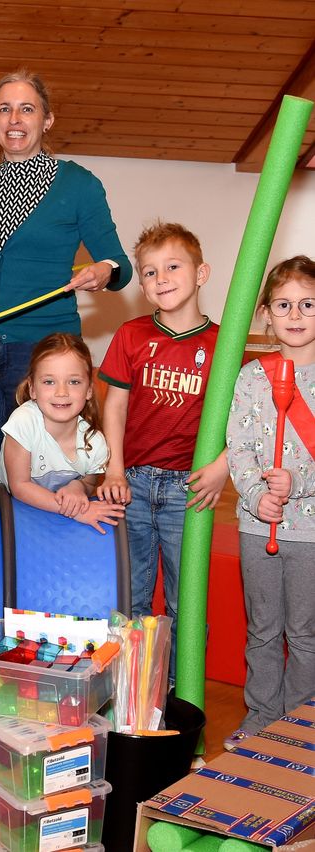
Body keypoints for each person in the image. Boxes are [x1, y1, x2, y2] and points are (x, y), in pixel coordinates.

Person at [0, 70, 132, 555]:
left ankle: (44, 578)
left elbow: (119, 265)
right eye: (4, 109)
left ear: (47, 120)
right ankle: (1, 587)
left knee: (48, 478)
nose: (15, 119)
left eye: (27, 109)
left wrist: (103, 270)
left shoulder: (79, 184)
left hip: (41, 359)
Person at [97, 222, 229, 680]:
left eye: (172, 267)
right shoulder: (131, 335)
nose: (161, 278)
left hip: (188, 491)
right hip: (131, 483)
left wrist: (222, 468)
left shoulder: (223, 345)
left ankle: (178, 696)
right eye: (149, 272)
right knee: (130, 598)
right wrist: (113, 468)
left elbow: (243, 418)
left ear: (202, 272)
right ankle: (133, 696)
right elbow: (114, 405)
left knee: (184, 602)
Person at [224, 256, 315, 750]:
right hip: (258, 526)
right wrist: (258, 495)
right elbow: (236, 445)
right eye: (283, 304)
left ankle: (299, 724)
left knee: (303, 633)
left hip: (310, 531)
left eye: (308, 304)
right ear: (266, 314)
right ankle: (261, 715)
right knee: (262, 629)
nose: (295, 314)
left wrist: (297, 480)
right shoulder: (252, 377)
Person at [0, 332, 124, 534]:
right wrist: (75, 512)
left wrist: (77, 488)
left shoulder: (95, 443)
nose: (62, 392)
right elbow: (20, 487)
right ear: (32, 389)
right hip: (13, 510)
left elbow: (89, 482)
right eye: (49, 382)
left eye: (74, 382)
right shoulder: (24, 422)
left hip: (55, 511)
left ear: (89, 390)